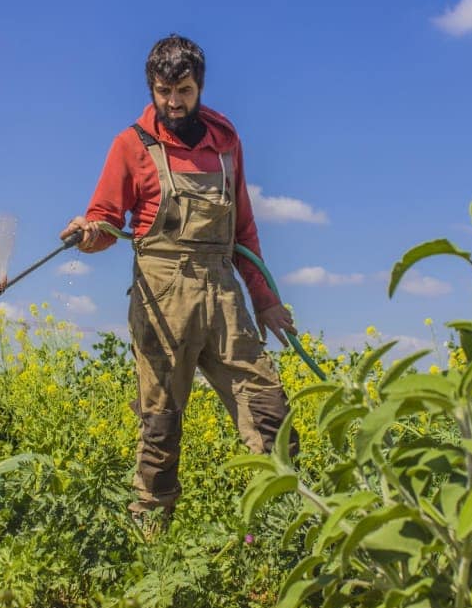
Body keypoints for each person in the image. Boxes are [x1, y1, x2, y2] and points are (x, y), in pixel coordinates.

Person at [57, 34, 299, 533]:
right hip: (163, 294)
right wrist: (87, 234)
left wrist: (266, 301)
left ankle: (281, 531)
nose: (173, 102)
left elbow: (243, 229)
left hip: (224, 292)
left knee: (270, 409)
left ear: (200, 86)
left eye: (184, 90)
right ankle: (153, 538)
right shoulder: (131, 144)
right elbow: (105, 219)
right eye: (163, 91)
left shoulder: (225, 139)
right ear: (151, 87)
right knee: (161, 423)